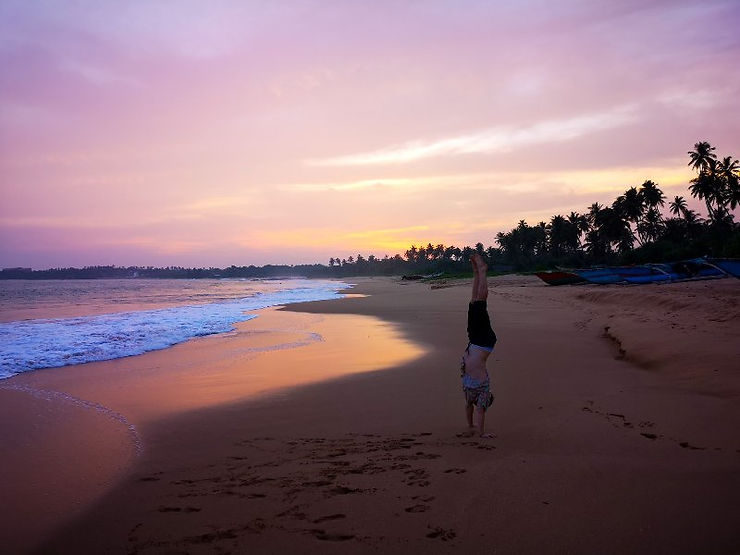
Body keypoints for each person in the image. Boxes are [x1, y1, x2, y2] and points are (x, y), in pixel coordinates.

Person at [460, 254, 497, 438]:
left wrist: (470, 425)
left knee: (474, 303)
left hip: (473, 340)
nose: (478, 406)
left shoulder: (469, 392)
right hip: (484, 341)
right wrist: (482, 434)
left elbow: (469, 408)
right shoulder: (483, 390)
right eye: (483, 403)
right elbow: (480, 412)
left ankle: (476, 273)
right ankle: (483, 271)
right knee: (481, 302)